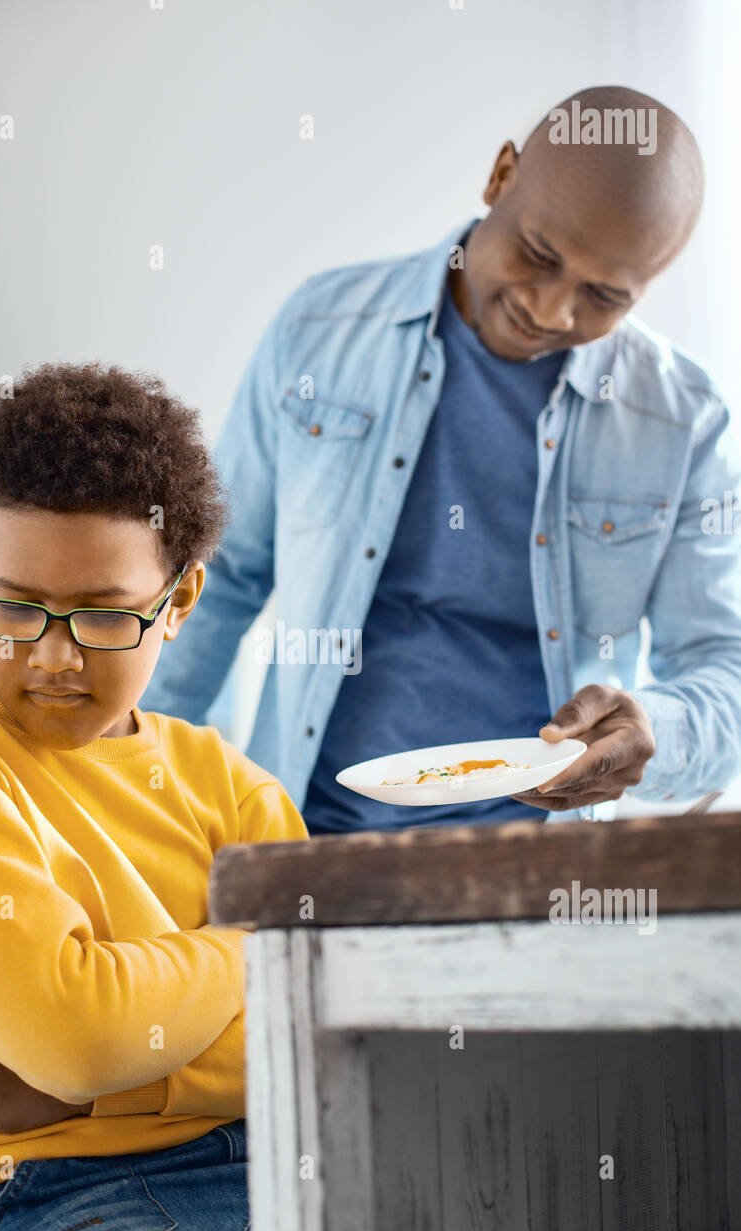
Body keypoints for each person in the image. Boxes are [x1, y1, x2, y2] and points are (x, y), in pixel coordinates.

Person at [143, 85, 741, 833]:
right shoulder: (320, 330)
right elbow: (217, 578)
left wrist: (655, 725)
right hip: (298, 839)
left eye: (604, 296)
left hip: (539, 874)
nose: (552, 311)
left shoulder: (684, 419)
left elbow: (725, 666)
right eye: (539, 254)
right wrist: (129, 779)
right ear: (500, 177)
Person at [0, 362, 307, 1231]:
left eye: (106, 615)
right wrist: (250, 942)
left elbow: (314, 1033)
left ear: (180, 602)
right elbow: (73, 1030)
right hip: (43, 1202)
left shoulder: (231, 786)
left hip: (286, 1172)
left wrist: (100, 1087)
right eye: (14, 607)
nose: (53, 656)